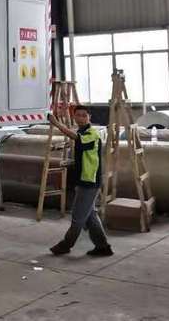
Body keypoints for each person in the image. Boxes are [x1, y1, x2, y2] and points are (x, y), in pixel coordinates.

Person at [48, 105, 113, 257]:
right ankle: (103, 247)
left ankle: (66, 245)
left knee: (78, 217)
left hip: (89, 182)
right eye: (78, 115)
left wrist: (56, 123)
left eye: (84, 115)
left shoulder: (92, 133)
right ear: (74, 117)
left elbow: (77, 139)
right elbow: (84, 155)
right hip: (84, 180)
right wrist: (70, 163)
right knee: (90, 216)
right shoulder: (82, 132)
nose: (81, 118)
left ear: (90, 117)